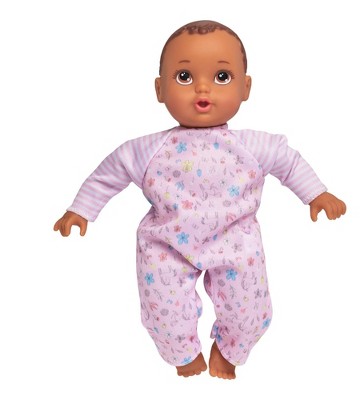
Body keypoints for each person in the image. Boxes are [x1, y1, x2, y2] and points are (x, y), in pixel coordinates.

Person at [54, 20, 346, 379]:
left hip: (236, 243)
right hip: (167, 245)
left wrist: (316, 193)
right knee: (162, 308)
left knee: (249, 310)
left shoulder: (254, 145)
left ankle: (230, 349)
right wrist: (81, 210)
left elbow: (289, 162)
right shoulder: (147, 149)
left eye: (222, 77)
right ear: (160, 89)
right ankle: (182, 354)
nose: (202, 88)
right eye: (184, 77)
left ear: (245, 87)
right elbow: (109, 173)